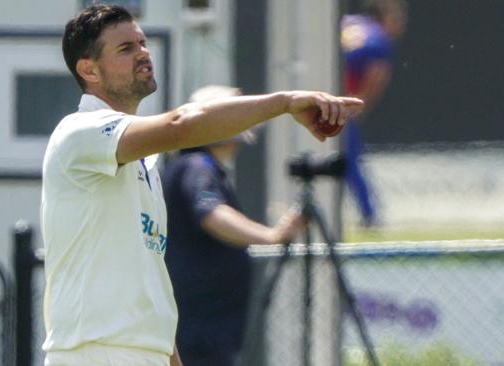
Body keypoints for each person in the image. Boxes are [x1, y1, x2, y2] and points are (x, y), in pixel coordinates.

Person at [40, 4, 364, 366]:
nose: (143, 52)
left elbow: (149, 285)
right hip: (94, 355)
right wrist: (285, 103)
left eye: (142, 42)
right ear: (89, 70)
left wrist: (170, 357)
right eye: (125, 48)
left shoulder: (146, 163)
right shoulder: (79, 132)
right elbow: (182, 124)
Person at [162, 85, 305, 366]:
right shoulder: (196, 167)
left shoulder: (195, 166)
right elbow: (212, 214)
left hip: (209, 326)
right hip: (200, 329)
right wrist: (271, 236)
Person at [341, 0, 407, 227]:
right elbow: (375, 76)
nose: (400, 23)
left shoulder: (348, 24)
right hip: (341, 104)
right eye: (396, 17)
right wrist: (358, 107)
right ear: (384, 17)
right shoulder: (379, 39)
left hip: (316, 97)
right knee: (350, 159)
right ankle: (369, 216)